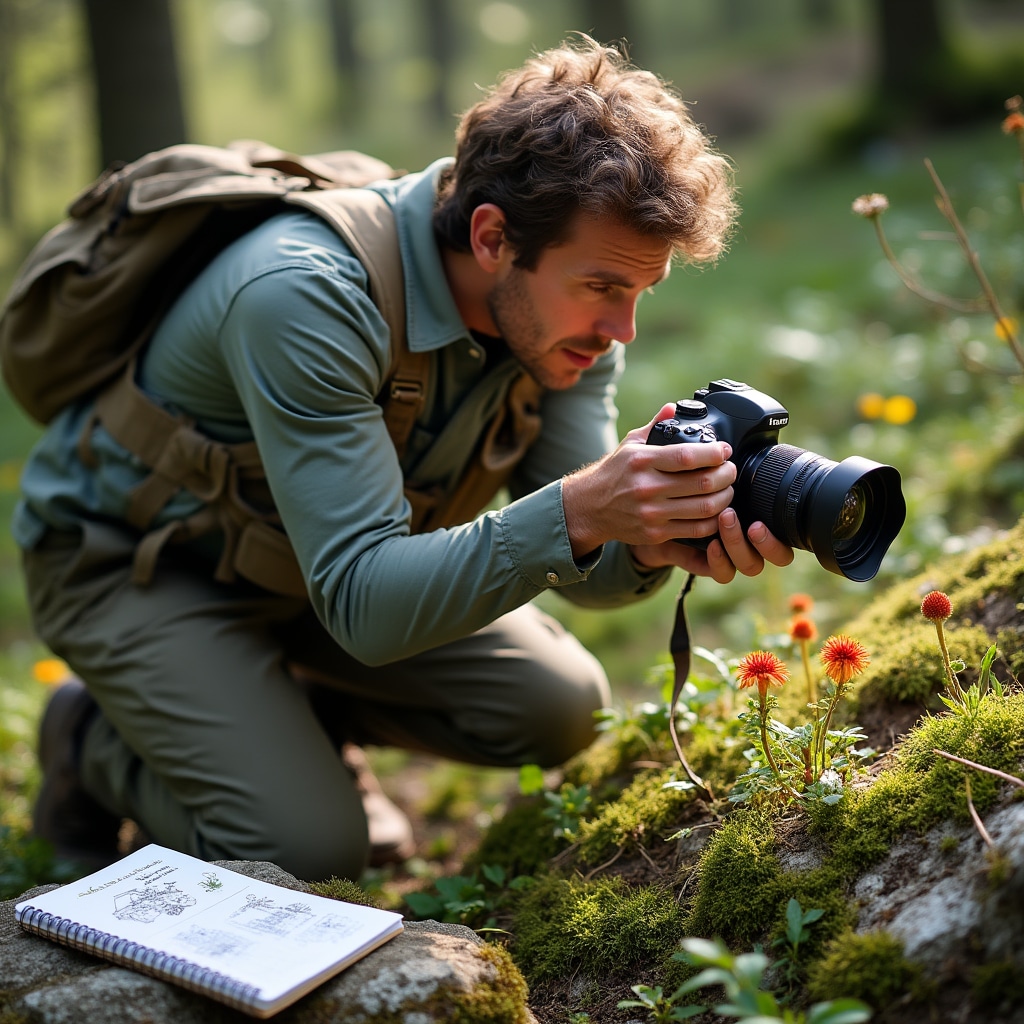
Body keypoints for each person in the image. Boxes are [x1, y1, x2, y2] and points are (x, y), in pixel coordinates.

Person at [16, 35, 793, 883]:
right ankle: (86, 741)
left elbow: (586, 569)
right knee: (306, 853)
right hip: (138, 566)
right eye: (603, 287)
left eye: (641, 292)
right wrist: (580, 510)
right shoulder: (306, 295)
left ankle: (286, 719)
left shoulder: (564, 331)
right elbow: (366, 604)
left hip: (308, 571)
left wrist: (651, 533)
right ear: (492, 237)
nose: (623, 331)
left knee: (556, 706)